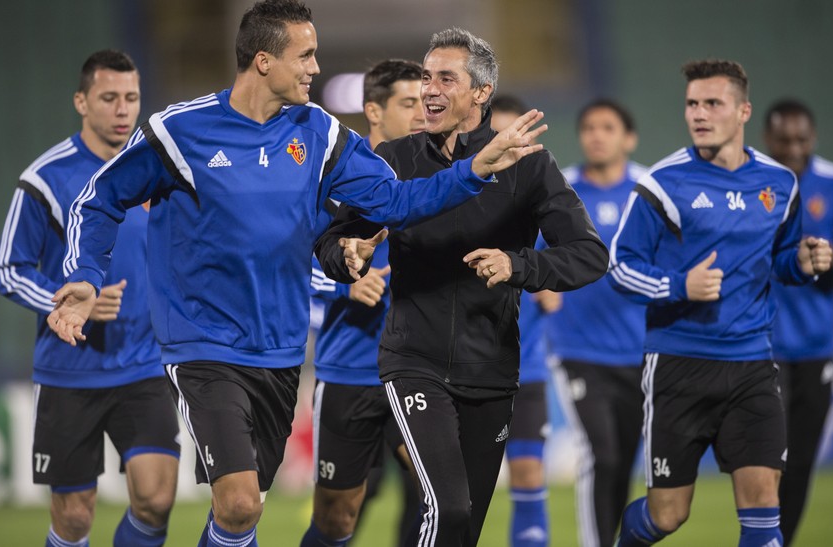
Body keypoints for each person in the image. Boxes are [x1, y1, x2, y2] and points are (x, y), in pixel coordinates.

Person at [46, 3, 546, 546]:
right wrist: (84, 277)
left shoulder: (319, 133)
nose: (314, 67)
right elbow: (99, 200)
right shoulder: (178, 132)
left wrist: (471, 170)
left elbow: (397, 201)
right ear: (264, 61)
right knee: (238, 504)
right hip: (203, 345)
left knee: (243, 512)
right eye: (304, 55)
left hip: (281, 353)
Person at [316, 29, 608, 546]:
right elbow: (333, 240)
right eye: (426, 76)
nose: (430, 89)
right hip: (413, 362)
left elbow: (589, 255)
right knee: (446, 510)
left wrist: (519, 266)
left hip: (492, 370)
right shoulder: (395, 160)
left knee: (464, 526)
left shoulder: (529, 165)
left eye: (445, 78)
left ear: (481, 92)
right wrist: (347, 255)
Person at [609, 59, 832, 547]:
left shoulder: (779, 183)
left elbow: (779, 263)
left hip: (753, 364)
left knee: (763, 514)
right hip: (678, 365)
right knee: (668, 516)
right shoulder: (663, 182)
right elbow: (619, 267)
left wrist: (804, 262)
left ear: (743, 110)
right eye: (692, 103)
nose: (699, 113)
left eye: (713, 103)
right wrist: (678, 286)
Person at [0, 50, 180, 547]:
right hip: (69, 371)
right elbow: (8, 271)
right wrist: (64, 302)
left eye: (132, 98)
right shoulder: (45, 178)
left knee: (157, 499)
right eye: (109, 98)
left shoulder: (157, 171)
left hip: (144, 365)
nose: (123, 110)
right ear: (82, 101)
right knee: (75, 518)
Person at [303, 58, 425, 547]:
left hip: (419, 370)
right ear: (373, 110)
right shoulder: (332, 184)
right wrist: (344, 281)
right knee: (337, 517)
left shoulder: (435, 182)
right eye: (409, 103)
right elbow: (290, 262)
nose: (422, 113)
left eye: (427, 103)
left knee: (441, 499)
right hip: (349, 369)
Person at [549, 99, 647, 547]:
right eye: (588, 127)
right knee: (601, 455)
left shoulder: (651, 191)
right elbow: (529, 252)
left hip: (642, 352)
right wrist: (539, 281)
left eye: (607, 127)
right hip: (577, 350)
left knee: (624, 460)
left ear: (629, 138)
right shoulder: (560, 190)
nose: (596, 135)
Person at [763, 99, 833, 546]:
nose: (793, 149)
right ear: (768, 139)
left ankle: (781, 541)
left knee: (801, 462)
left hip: (816, 346)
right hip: (761, 346)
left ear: (813, 139)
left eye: (801, 140)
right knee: (768, 461)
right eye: (784, 140)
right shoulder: (749, 184)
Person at [490, 94, 562, 547]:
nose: (508, 141)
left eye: (516, 132)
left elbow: (571, 255)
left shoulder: (542, 198)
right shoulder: (458, 190)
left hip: (525, 368)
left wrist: (549, 276)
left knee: (529, 471)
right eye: (497, 131)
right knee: (452, 492)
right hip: (461, 369)